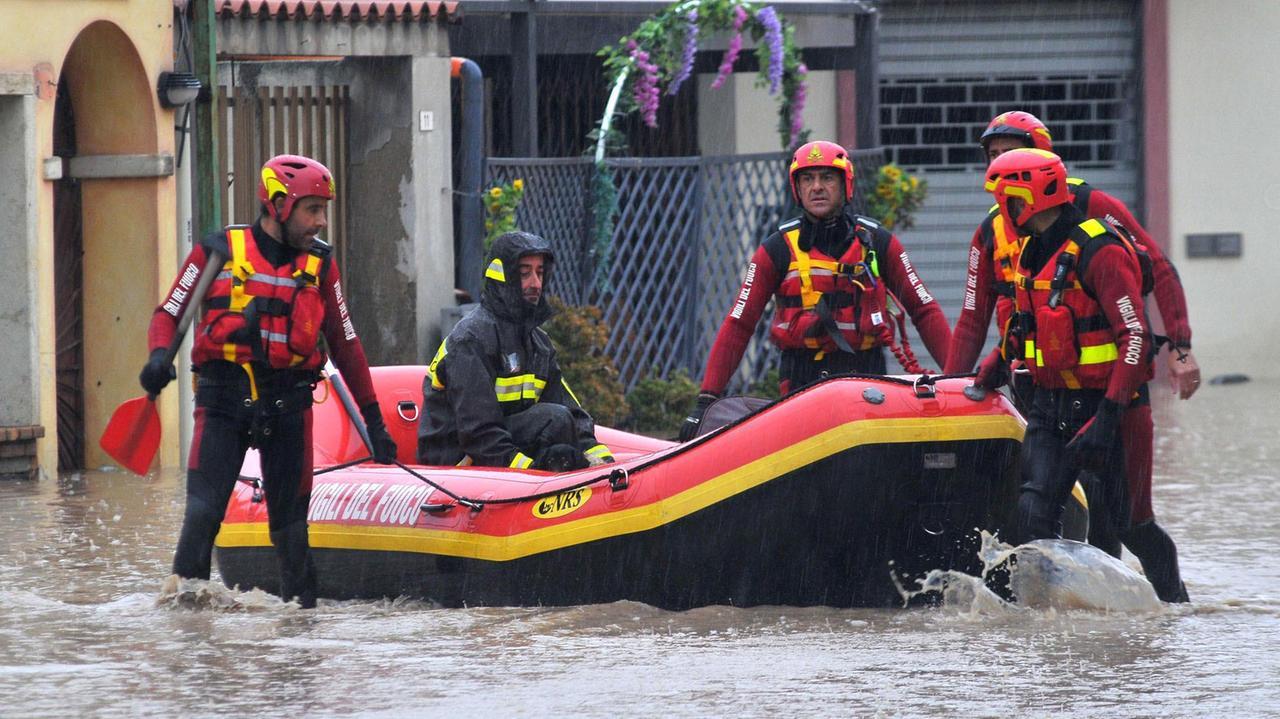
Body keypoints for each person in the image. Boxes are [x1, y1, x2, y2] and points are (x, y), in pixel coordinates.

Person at [951, 111, 1193, 601]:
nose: (998, 192)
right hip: (1045, 395)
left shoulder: (1098, 240)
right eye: (992, 158)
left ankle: (1170, 612)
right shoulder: (1017, 247)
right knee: (1033, 514)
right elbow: (996, 320)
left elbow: (1137, 327)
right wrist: (963, 381)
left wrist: (1179, 347)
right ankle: (1053, 626)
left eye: (1008, 160)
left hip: (1111, 402)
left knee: (1124, 523)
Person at [139, 154, 399, 608]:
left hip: (289, 406)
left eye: (324, 210)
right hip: (223, 400)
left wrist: (374, 420)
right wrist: (159, 357)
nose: (320, 221)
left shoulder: (321, 267)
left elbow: (347, 344)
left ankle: (300, 632)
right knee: (201, 515)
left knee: (292, 531)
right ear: (277, 204)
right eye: (311, 209)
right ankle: (187, 632)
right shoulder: (218, 250)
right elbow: (169, 313)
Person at [679, 140, 951, 440]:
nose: (817, 187)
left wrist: (956, 377)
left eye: (827, 178)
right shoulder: (776, 249)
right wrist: (706, 400)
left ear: (845, 184)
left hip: (866, 377)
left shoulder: (878, 243)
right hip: (801, 380)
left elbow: (923, 309)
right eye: (808, 179)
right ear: (797, 188)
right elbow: (739, 323)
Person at [946, 110, 1200, 398]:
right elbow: (971, 321)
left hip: (1109, 387)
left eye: (1010, 152)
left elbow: (1159, 266)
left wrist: (1181, 348)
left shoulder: (1087, 203)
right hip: (1036, 385)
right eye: (994, 154)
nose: (1001, 162)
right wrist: (948, 388)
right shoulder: (989, 232)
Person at [417, 231, 615, 471]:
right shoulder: (470, 341)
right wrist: (531, 473)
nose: (536, 284)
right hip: (455, 461)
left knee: (559, 418)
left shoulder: (538, 344)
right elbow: (479, 432)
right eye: (524, 274)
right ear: (503, 279)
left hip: (502, 451)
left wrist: (603, 466)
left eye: (540, 272)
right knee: (554, 419)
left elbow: (570, 412)